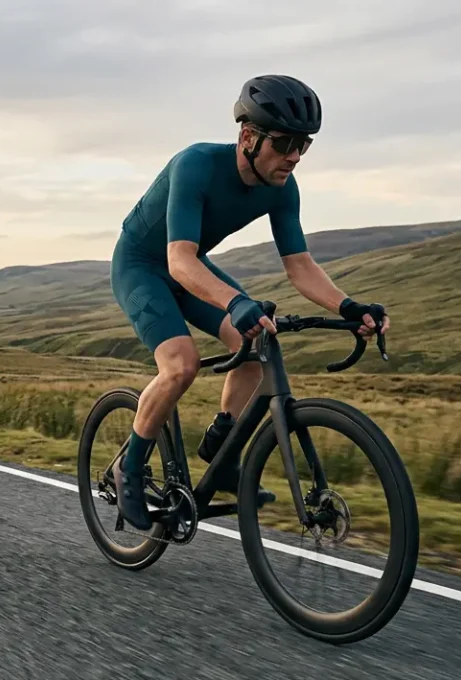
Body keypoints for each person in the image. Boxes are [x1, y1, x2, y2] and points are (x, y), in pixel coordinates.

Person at [108, 74, 389, 530]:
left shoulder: (281, 188)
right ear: (248, 137)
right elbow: (178, 260)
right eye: (284, 143)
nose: (294, 157)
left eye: (304, 145)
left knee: (257, 343)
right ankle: (130, 468)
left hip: (189, 266)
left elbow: (299, 265)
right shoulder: (196, 164)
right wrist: (236, 300)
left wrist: (348, 306)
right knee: (181, 365)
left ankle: (222, 447)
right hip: (142, 265)